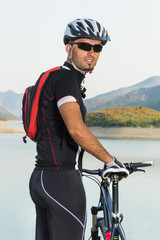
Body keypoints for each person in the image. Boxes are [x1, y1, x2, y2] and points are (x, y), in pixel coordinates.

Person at [29, 18, 129, 240]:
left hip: (41, 179)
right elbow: (75, 128)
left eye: (97, 48)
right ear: (69, 47)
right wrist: (110, 161)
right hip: (61, 181)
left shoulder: (53, 77)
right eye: (84, 46)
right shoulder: (66, 79)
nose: (91, 52)